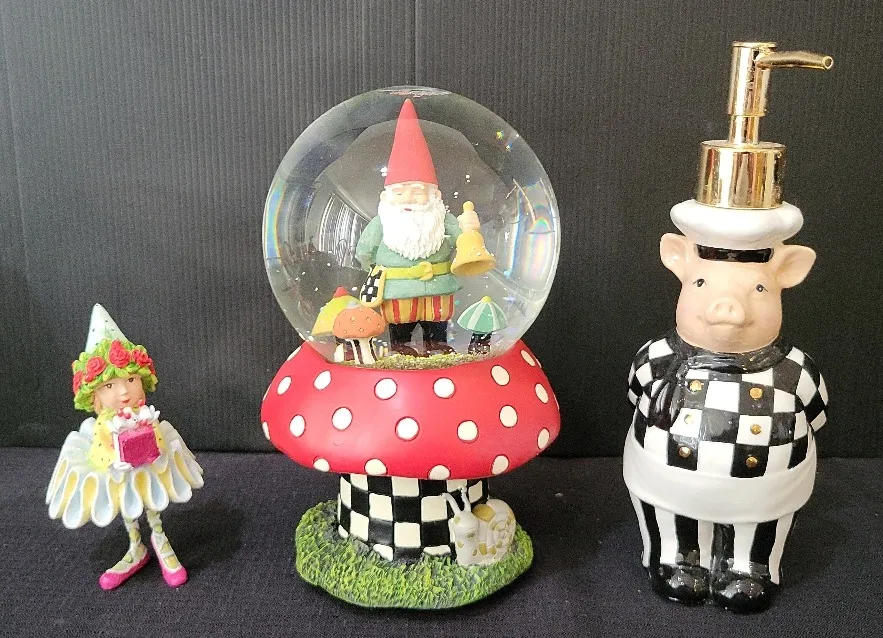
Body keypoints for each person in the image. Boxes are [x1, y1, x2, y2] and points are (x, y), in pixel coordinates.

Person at [47, 304, 203, 589]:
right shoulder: (105, 425)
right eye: (110, 386)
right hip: (119, 472)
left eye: (131, 380)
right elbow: (101, 448)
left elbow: (156, 437)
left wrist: (152, 446)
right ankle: (135, 546)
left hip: (149, 467)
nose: (123, 392)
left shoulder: (145, 416)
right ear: (95, 395)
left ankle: (160, 539)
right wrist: (113, 458)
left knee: (152, 501)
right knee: (128, 504)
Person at [355, 99, 486, 356]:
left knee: (436, 319)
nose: (408, 199)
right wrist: (376, 270)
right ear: (386, 197)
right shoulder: (383, 222)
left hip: (438, 286)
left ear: (434, 195)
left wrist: (470, 230)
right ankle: (400, 346)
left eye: (417, 191)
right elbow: (365, 251)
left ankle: (435, 343)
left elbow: (463, 243)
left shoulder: (442, 219)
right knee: (399, 320)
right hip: (396, 288)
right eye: (400, 192)